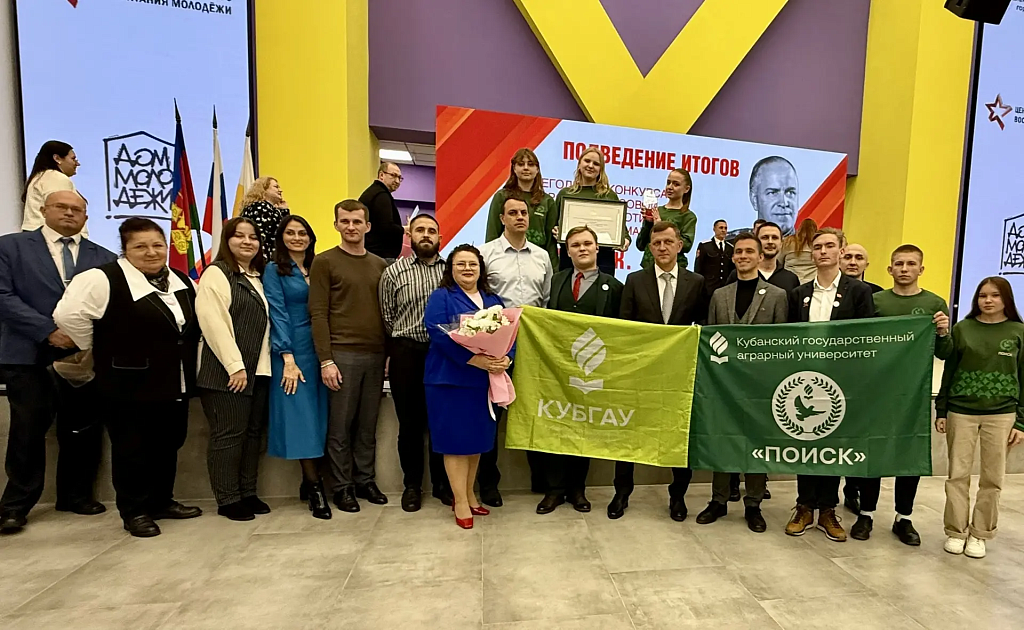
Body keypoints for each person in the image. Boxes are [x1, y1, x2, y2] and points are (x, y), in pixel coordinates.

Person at [53, 218, 203, 537]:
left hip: (174, 381)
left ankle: (161, 501)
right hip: (126, 384)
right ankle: (134, 511)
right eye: (140, 246)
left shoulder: (180, 280)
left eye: (157, 245)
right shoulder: (102, 278)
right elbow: (67, 315)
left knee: (168, 443)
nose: (151, 252)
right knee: (131, 449)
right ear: (125, 249)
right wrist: (96, 344)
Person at [0, 191, 114, 534]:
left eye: (77, 209)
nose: (69, 213)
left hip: (81, 356)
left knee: (82, 428)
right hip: (28, 355)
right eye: (61, 207)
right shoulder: (10, 247)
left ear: (86, 217)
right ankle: (15, 505)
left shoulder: (104, 257)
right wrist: (47, 330)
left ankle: (75, 495)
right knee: (28, 430)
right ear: (43, 210)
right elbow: (3, 296)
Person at [842, 244, 952, 545]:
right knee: (873, 450)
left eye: (911, 264)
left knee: (909, 453)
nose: (905, 269)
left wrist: (943, 332)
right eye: (899, 264)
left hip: (913, 393)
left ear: (921, 269)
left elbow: (944, 352)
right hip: (876, 391)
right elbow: (859, 342)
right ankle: (866, 513)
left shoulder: (933, 303)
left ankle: (904, 517)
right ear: (889, 269)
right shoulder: (876, 301)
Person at [610, 221, 707, 521]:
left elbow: (702, 326)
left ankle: (678, 496)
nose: (662, 248)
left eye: (667, 242)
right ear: (650, 248)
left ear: (679, 245)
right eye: (656, 243)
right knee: (629, 434)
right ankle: (622, 492)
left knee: (679, 435)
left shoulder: (697, 282)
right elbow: (625, 326)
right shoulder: (634, 280)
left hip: (679, 374)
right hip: (641, 372)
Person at [785, 228, 874, 542]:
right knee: (805, 442)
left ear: (841, 251)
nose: (823, 251)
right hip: (805, 380)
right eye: (817, 246)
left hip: (842, 381)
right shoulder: (798, 293)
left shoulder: (858, 292)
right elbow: (789, 337)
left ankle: (827, 509)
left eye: (829, 246)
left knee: (833, 445)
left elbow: (866, 337)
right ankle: (804, 506)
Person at [696, 233, 787, 533]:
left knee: (756, 443)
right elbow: (711, 339)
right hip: (724, 386)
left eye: (749, 251)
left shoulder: (777, 296)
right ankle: (718, 500)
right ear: (733, 257)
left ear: (761, 257)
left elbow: (781, 344)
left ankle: (753, 504)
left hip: (760, 386)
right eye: (738, 252)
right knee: (722, 441)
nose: (743, 256)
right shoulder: (720, 295)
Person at [424, 245, 512, 529]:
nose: (467, 269)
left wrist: (505, 359)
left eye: (472, 264)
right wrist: (473, 359)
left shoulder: (492, 299)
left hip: (482, 383)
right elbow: (437, 332)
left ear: (481, 268)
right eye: (460, 264)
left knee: (476, 442)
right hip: (450, 380)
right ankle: (460, 501)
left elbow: (509, 334)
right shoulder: (442, 297)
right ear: (450, 269)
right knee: (455, 443)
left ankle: (471, 495)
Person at [537, 226, 623, 516]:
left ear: (598, 248)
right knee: (555, 426)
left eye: (587, 243)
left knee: (582, 427)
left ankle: (577, 489)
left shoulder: (614, 286)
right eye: (575, 245)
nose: (582, 248)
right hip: (557, 367)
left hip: (592, 370)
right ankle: (554, 490)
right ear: (567, 251)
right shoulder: (557, 280)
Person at [936, 276, 1024, 559]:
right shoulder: (963, 329)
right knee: (957, 475)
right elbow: (949, 369)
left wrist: (1021, 421)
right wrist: (941, 409)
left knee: (992, 478)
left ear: (1006, 299)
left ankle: (980, 534)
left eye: (995, 295)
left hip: (1002, 413)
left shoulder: (1018, 331)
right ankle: (956, 531)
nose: (988, 300)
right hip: (961, 411)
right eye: (983, 295)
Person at [310, 200, 388, 513]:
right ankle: (342, 487)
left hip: (375, 354)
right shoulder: (324, 262)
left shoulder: (380, 265)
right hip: (341, 354)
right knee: (340, 427)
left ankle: (365, 480)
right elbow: (318, 313)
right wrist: (326, 360)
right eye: (345, 221)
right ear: (336, 225)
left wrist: (387, 354)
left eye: (357, 221)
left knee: (367, 426)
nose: (351, 227)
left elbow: (385, 312)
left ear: (367, 226)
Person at [195, 217, 273, 522]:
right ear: (226, 240)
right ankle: (227, 499)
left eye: (253, 237)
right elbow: (213, 323)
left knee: (252, 436)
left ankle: (247, 492)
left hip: (259, 371)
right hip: (226, 374)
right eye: (239, 236)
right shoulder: (218, 273)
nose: (247, 242)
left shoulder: (259, 276)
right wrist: (234, 366)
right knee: (228, 436)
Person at [478, 196, 553, 505]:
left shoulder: (542, 256)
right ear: (502, 219)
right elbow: (480, 297)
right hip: (498, 341)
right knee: (492, 414)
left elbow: (545, 298)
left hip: (532, 341)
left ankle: (541, 478)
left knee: (534, 409)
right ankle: (489, 483)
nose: (520, 217)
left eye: (524, 212)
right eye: (513, 213)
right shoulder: (486, 254)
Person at [378, 213, 451, 512]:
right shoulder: (393, 272)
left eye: (431, 230)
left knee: (440, 422)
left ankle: (442, 484)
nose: (426, 235)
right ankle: (412, 486)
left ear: (440, 238)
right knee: (409, 424)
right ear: (410, 235)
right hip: (406, 353)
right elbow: (387, 316)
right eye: (420, 229)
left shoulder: (450, 270)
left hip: (442, 354)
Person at [264, 216, 331, 520]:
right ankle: (315, 489)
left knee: (320, 417)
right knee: (301, 420)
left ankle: (310, 482)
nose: (297, 237)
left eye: (302, 233)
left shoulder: (317, 266)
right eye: (290, 233)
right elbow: (277, 312)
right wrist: (287, 357)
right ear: (281, 237)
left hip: (320, 349)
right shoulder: (274, 269)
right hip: (291, 350)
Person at [555, 147, 629, 275]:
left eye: (596, 163)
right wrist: (557, 231)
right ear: (579, 164)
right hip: (570, 261)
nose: (590, 166)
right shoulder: (565, 194)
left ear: (601, 169)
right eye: (587, 161)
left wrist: (625, 241)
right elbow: (554, 225)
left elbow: (622, 232)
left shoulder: (608, 196)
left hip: (603, 261)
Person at [485, 148, 558, 268]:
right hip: (505, 259)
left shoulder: (547, 201)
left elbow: (551, 243)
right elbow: (492, 234)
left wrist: (554, 271)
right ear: (514, 168)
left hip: (537, 261)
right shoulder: (502, 196)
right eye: (521, 164)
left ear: (537, 169)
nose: (526, 168)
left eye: (530, 164)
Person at [637, 168, 697, 270]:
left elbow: (686, 246)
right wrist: (648, 223)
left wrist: (660, 225)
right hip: (650, 268)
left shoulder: (688, 216)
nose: (670, 187)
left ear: (686, 189)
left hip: (674, 268)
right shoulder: (657, 211)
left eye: (676, 184)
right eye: (668, 183)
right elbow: (640, 244)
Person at [21, 141, 82, 234]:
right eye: (73, 159)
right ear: (57, 158)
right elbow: (61, 213)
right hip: (50, 237)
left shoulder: (38, 177)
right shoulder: (56, 178)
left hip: (35, 235)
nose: (77, 163)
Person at [725, 222, 800, 294]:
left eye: (774, 238)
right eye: (765, 237)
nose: (770, 242)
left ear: (781, 243)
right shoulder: (737, 275)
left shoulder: (791, 279)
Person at [359, 162, 405, 262]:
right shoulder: (381, 195)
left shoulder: (373, 192)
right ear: (381, 175)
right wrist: (404, 229)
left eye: (399, 178)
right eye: (393, 175)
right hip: (380, 256)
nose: (397, 181)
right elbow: (386, 227)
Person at [240, 177, 290, 263]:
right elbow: (264, 237)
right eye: (276, 187)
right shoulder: (259, 208)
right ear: (264, 189)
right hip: (264, 261)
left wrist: (283, 211)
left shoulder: (268, 209)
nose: (280, 190)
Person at [749, 156, 798, 236]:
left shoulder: (812, 243)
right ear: (754, 200)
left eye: (790, 192)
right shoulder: (736, 242)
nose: (784, 203)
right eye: (773, 193)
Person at [693, 219, 734, 295]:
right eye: (721, 228)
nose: (723, 230)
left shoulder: (730, 248)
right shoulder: (705, 246)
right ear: (714, 229)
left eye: (725, 228)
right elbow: (698, 267)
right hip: (708, 288)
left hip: (725, 288)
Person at [780, 218, 818, 284]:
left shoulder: (788, 241)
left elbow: (779, 261)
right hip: (812, 282)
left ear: (800, 228)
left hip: (790, 281)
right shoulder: (818, 243)